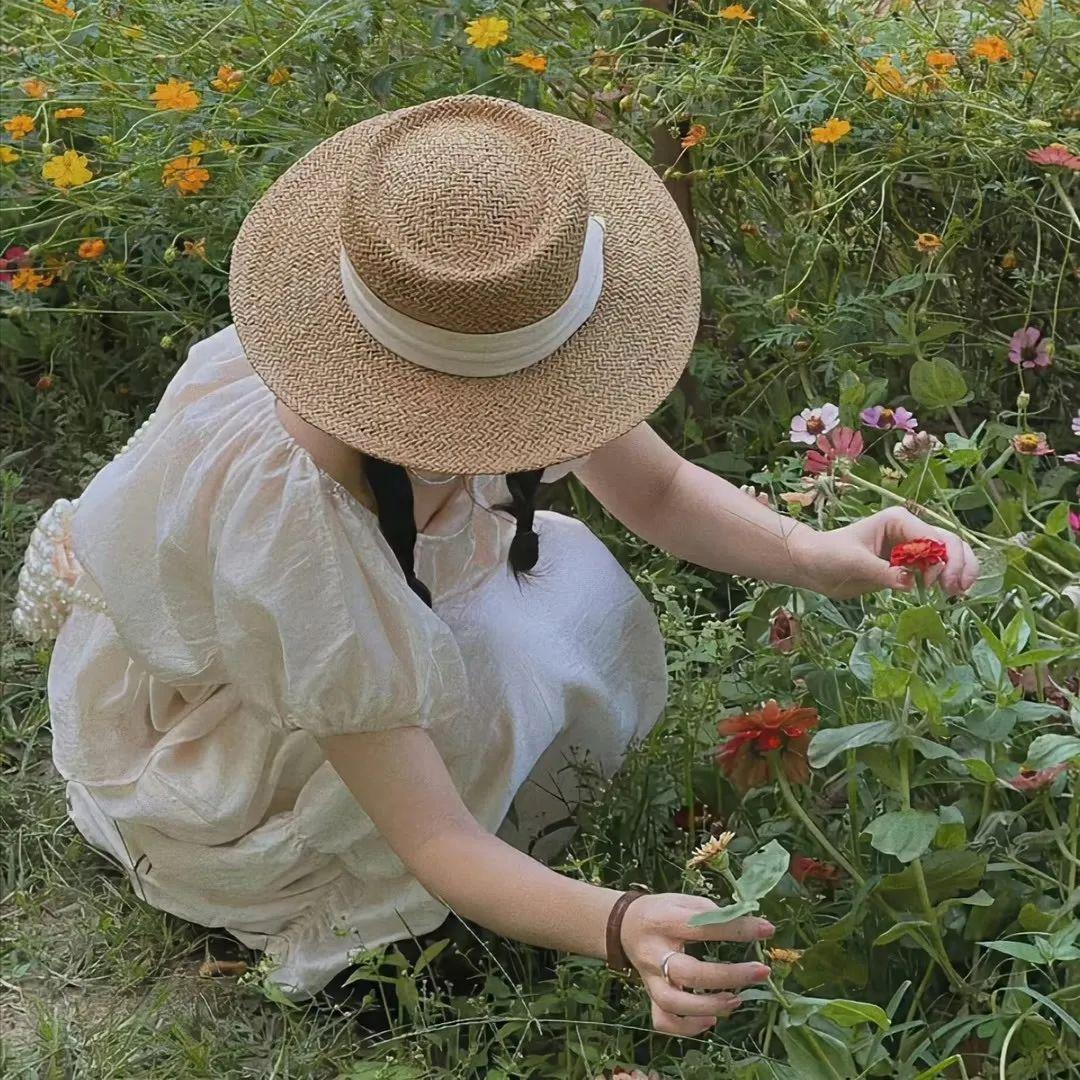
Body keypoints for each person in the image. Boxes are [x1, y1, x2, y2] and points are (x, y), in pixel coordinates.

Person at [13, 95, 978, 1035]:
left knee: (565, 580)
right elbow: (436, 838)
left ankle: (522, 807)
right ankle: (362, 925)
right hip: (261, 700)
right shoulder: (297, 531)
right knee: (488, 679)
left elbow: (659, 491)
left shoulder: (460, 331)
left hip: (372, 617)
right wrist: (615, 922)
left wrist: (815, 554)